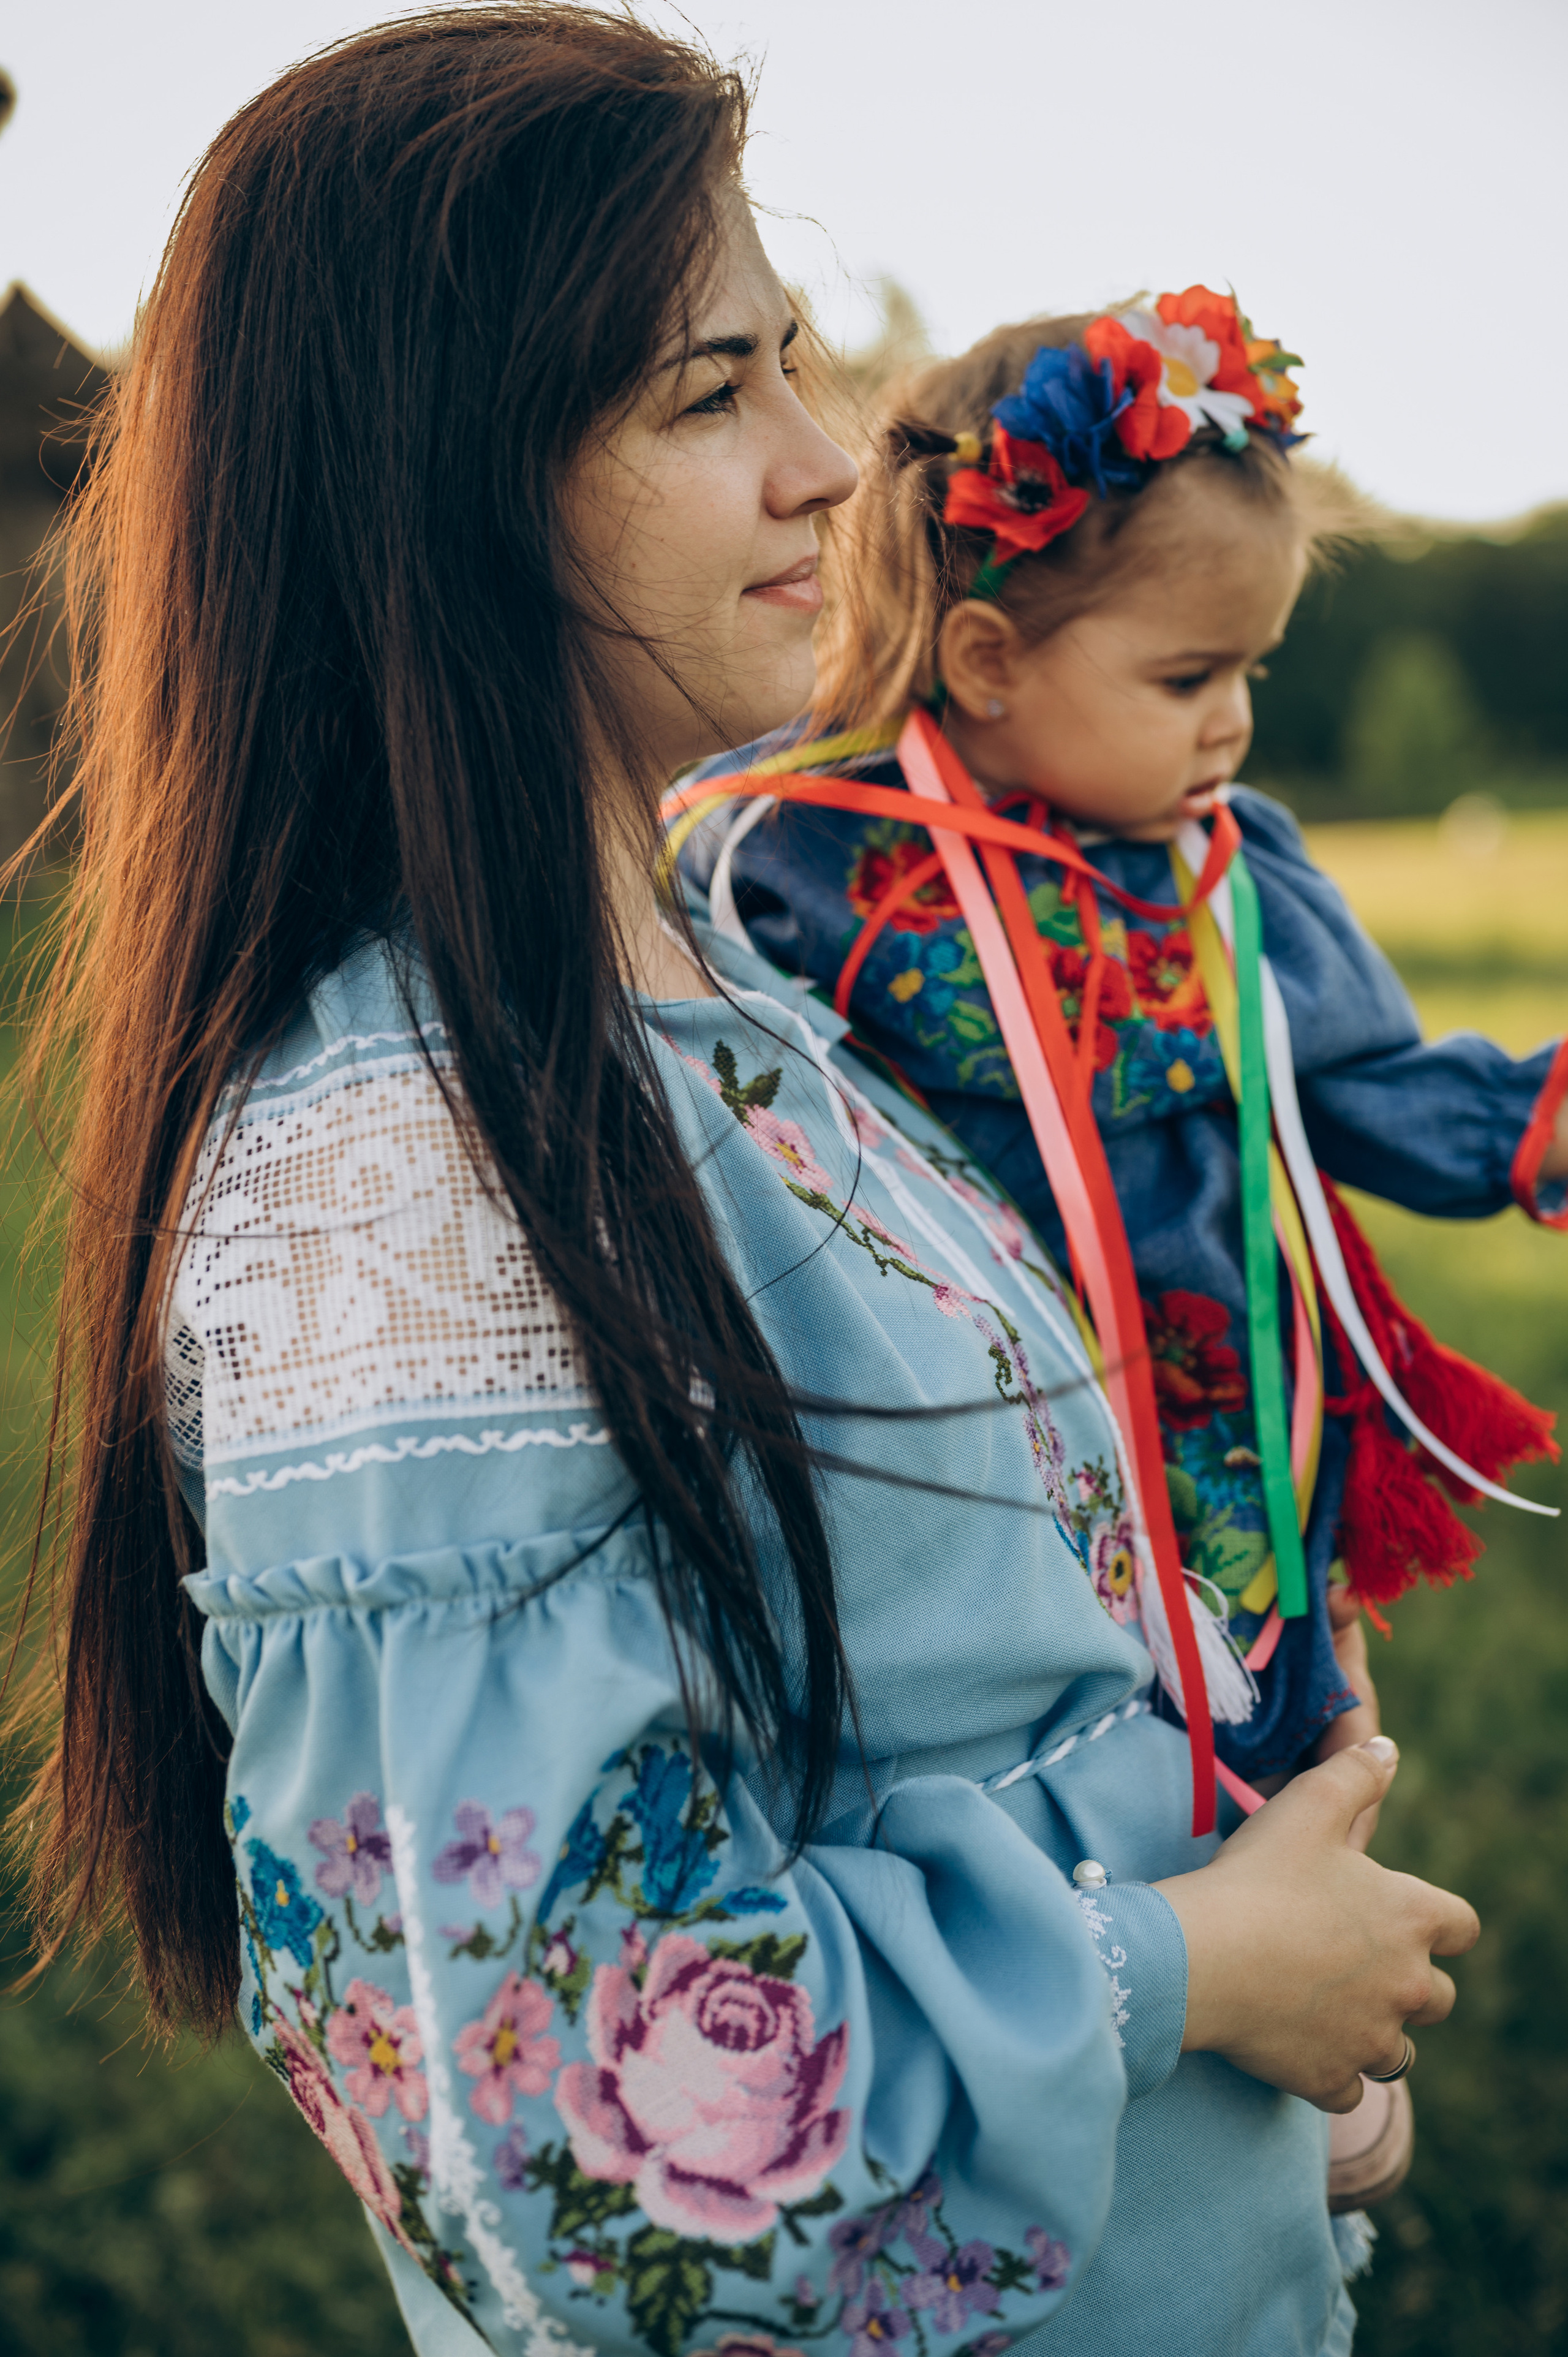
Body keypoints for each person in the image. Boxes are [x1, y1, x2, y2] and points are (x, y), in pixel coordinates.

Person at [8, 18, 1478, 2356]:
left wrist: (1258, 2040)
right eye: (710, 394)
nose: (829, 463)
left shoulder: (714, 983)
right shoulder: (410, 1177)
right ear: (443, 482)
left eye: (793, 363)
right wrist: (1194, 1970)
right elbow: (572, 2162)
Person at [673, 293, 1567, 1804]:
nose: (1228, 725)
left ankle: (1278, 1970)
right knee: (1005, 1779)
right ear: (985, 655)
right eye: (1183, 679)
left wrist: (1528, 1127)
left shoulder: (1230, 876)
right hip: (946, 1445)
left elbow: (1352, 1089)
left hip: (1214, 1427)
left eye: (1249, 675)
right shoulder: (796, 851)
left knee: (1258, 1751)